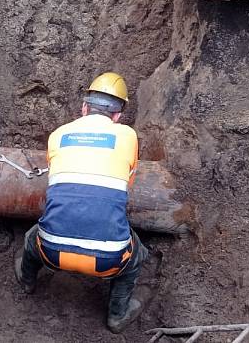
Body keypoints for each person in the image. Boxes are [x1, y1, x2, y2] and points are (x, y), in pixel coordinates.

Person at [14, 72, 149, 333]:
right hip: (108, 261)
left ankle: (27, 280)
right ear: (118, 115)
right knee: (137, 255)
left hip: (51, 252)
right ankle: (117, 316)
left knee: (32, 239)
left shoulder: (58, 134)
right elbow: (127, 185)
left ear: (84, 108)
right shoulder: (128, 136)